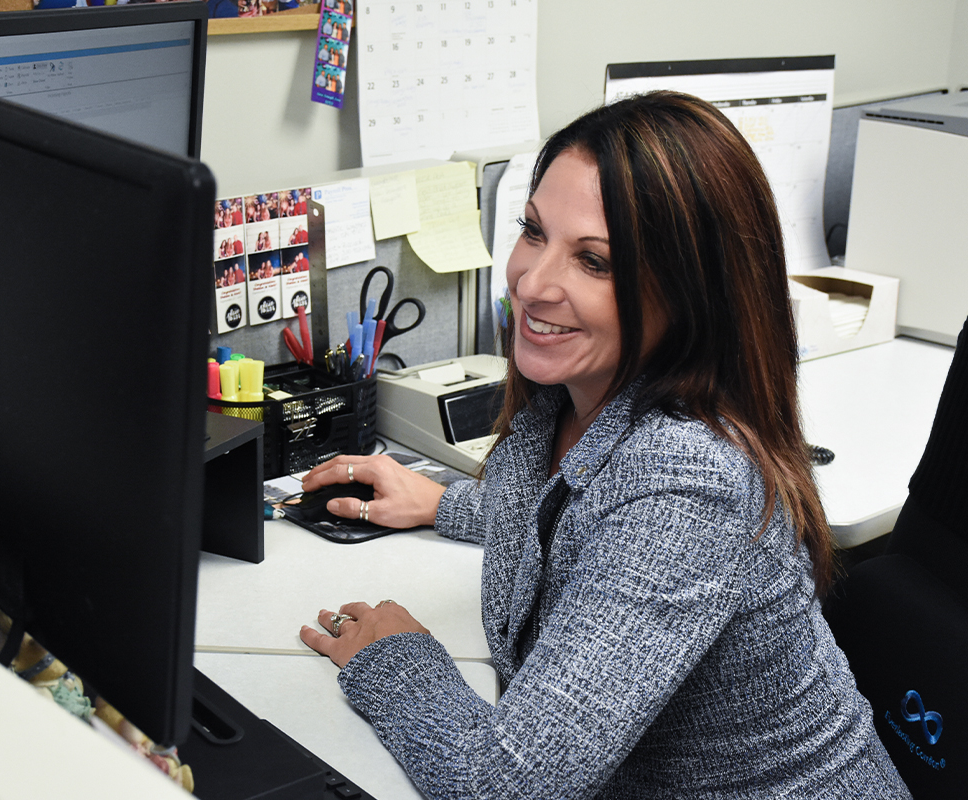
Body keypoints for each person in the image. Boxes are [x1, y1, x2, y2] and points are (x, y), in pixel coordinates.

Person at [297, 91, 910, 798]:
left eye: (594, 261)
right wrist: (446, 504)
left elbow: (502, 787)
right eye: (533, 232)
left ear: (688, 292)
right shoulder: (567, 405)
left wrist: (393, 657)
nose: (532, 282)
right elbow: (580, 516)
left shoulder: (689, 480)